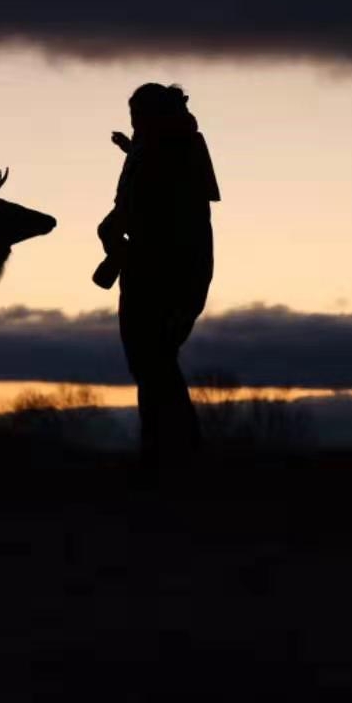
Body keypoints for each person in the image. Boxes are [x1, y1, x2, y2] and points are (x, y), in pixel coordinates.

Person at [95, 83, 220, 471]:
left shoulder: (171, 151)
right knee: (153, 364)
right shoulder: (168, 146)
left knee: (154, 363)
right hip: (157, 269)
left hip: (165, 273)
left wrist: (114, 232)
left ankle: (174, 456)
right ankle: (168, 454)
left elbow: (159, 206)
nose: (133, 123)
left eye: (137, 116)